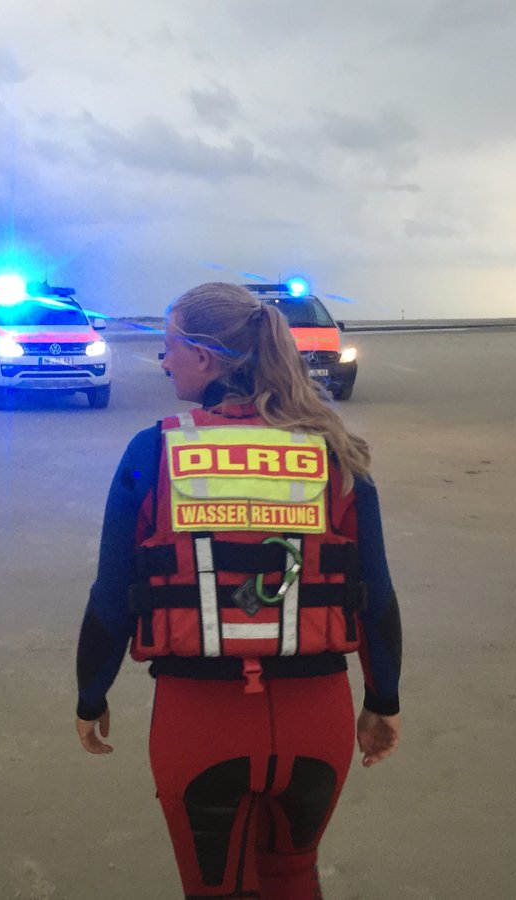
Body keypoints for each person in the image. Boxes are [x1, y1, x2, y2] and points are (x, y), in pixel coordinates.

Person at [74, 282, 401, 899]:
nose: (164, 360)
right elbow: (376, 596)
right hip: (317, 718)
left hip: (200, 722)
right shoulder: (334, 455)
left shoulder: (153, 451)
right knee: (294, 876)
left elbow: (110, 599)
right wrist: (384, 699)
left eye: (170, 347)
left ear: (205, 356)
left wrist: (91, 696)